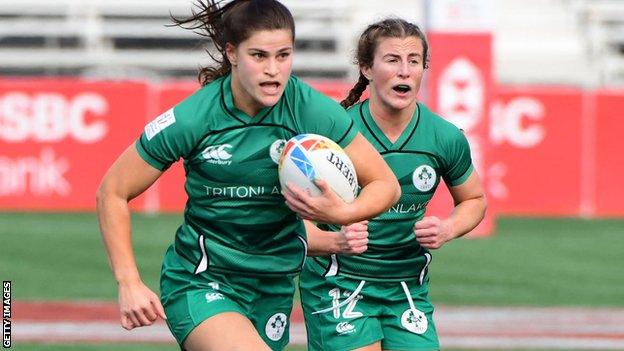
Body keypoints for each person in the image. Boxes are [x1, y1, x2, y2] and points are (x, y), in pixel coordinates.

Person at [95, 1, 401, 350]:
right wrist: (128, 282)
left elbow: (385, 184)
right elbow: (113, 191)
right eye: (259, 55)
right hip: (202, 280)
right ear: (232, 53)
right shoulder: (196, 117)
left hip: (273, 288)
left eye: (283, 55)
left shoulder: (309, 108)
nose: (273, 70)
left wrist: (340, 215)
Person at [300, 18, 487, 351]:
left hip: (406, 290)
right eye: (392, 60)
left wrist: (448, 228)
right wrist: (333, 239)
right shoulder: (335, 133)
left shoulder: (444, 137)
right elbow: (291, 209)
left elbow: (474, 199)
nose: (404, 71)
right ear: (367, 69)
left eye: (413, 61)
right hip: (338, 283)